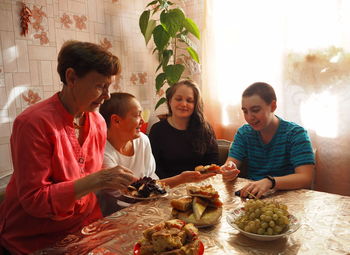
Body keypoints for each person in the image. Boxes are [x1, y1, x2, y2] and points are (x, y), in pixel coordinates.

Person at [0, 41, 137, 254]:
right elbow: (35, 200)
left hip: (84, 228)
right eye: (100, 86)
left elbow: (87, 186)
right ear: (71, 77)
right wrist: (98, 179)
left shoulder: (98, 122)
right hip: (34, 238)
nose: (107, 96)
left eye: (109, 87)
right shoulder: (33, 123)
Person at [97, 92, 216, 216]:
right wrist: (179, 179)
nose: (142, 120)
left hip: (146, 210)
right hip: (116, 217)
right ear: (116, 120)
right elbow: (127, 197)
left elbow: (152, 186)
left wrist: (183, 179)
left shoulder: (142, 140)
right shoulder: (102, 152)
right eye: (137, 115)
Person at [222, 82, 315, 198]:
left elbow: (305, 178)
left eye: (255, 110)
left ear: (273, 106)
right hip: (253, 198)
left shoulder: (296, 134)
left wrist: (270, 182)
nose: (249, 117)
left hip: (289, 198)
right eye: (245, 111)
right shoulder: (244, 133)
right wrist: (228, 169)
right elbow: (230, 163)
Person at [149, 80, 219, 179]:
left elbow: (213, 163)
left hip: (200, 186)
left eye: (189, 101)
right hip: (168, 187)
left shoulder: (205, 129)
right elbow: (154, 167)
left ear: (195, 105)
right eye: (178, 99)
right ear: (170, 101)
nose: (183, 104)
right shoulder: (157, 130)